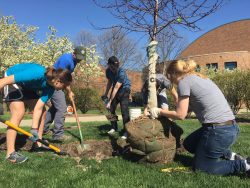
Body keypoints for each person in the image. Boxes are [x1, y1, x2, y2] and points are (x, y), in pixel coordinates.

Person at [149, 59, 250, 175]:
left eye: (168, 75)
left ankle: (245, 165)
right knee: (189, 144)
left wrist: (159, 111)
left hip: (218, 131)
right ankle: (231, 156)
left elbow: (181, 115)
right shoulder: (199, 77)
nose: (169, 79)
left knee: (203, 168)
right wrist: (169, 114)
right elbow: (187, 110)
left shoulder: (183, 82)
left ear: (173, 73)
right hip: (230, 128)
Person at [0, 62, 72, 163]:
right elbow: (3, 81)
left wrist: (34, 129)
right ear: (58, 81)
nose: (64, 90)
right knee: (19, 112)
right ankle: (10, 154)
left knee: (43, 112)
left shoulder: (50, 88)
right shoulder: (37, 73)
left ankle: (37, 143)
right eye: (64, 87)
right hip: (11, 80)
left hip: (27, 86)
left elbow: (38, 107)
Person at [43, 46, 85, 142]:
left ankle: (43, 129)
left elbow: (65, 79)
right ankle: (58, 134)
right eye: (78, 58)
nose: (79, 60)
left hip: (56, 83)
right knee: (62, 108)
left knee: (55, 108)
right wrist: (69, 91)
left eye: (81, 59)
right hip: (54, 84)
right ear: (73, 54)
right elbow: (61, 78)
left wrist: (70, 91)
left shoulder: (73, 61)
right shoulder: (67, 60)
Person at [102, 56, 131, 139]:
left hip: (125, 88)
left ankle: (127, 131)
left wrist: (110, 101)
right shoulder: (108, 71)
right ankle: (114, 127)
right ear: (109, 65)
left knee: (124, 110)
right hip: (116, 88)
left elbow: (116, 88)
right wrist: (106, 94)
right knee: (111, 109)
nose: (114, 68)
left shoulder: (121, 72)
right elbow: (110, 82)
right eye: (112, 67)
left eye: (116, 67)